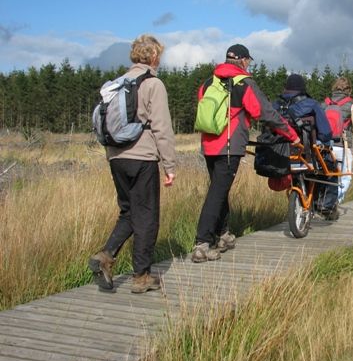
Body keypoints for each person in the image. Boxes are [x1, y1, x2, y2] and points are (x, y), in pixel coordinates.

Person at [192, 44, 300, 263]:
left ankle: (223, 235)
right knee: (216, 193)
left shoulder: (208, 83)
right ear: (242, 61)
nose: (249, 65)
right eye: (248, 61)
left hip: (209, 145)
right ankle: (202, 243)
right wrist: (291, 135)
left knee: (219, 190)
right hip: (229, 148)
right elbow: (265, 112)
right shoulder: (244, 83)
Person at [88, 34, 176, 294]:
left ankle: (106, 255)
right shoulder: (152, 83)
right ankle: (142, 277)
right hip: (142, 157)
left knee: (128, 211)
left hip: (116, 157)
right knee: (147, 216)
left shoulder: (117, 83)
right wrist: (169, 166)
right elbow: (162, 127)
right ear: (155, 57)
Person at [275, 74, 339, 219]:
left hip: (281, 155)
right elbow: (325, 133)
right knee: (332, 169)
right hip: (307, 155)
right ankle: (325, 206)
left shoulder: (275, 105)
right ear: (302, 88)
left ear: (286, 88)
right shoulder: (311, 104)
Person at [323, 77, 353, 204]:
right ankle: (333, 203)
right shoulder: (352, 104)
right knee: (345, 178)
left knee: (326, 177)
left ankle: (324, 203)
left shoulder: (325, 103)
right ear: (349, 89)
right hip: (343, 146)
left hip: (325, 147)